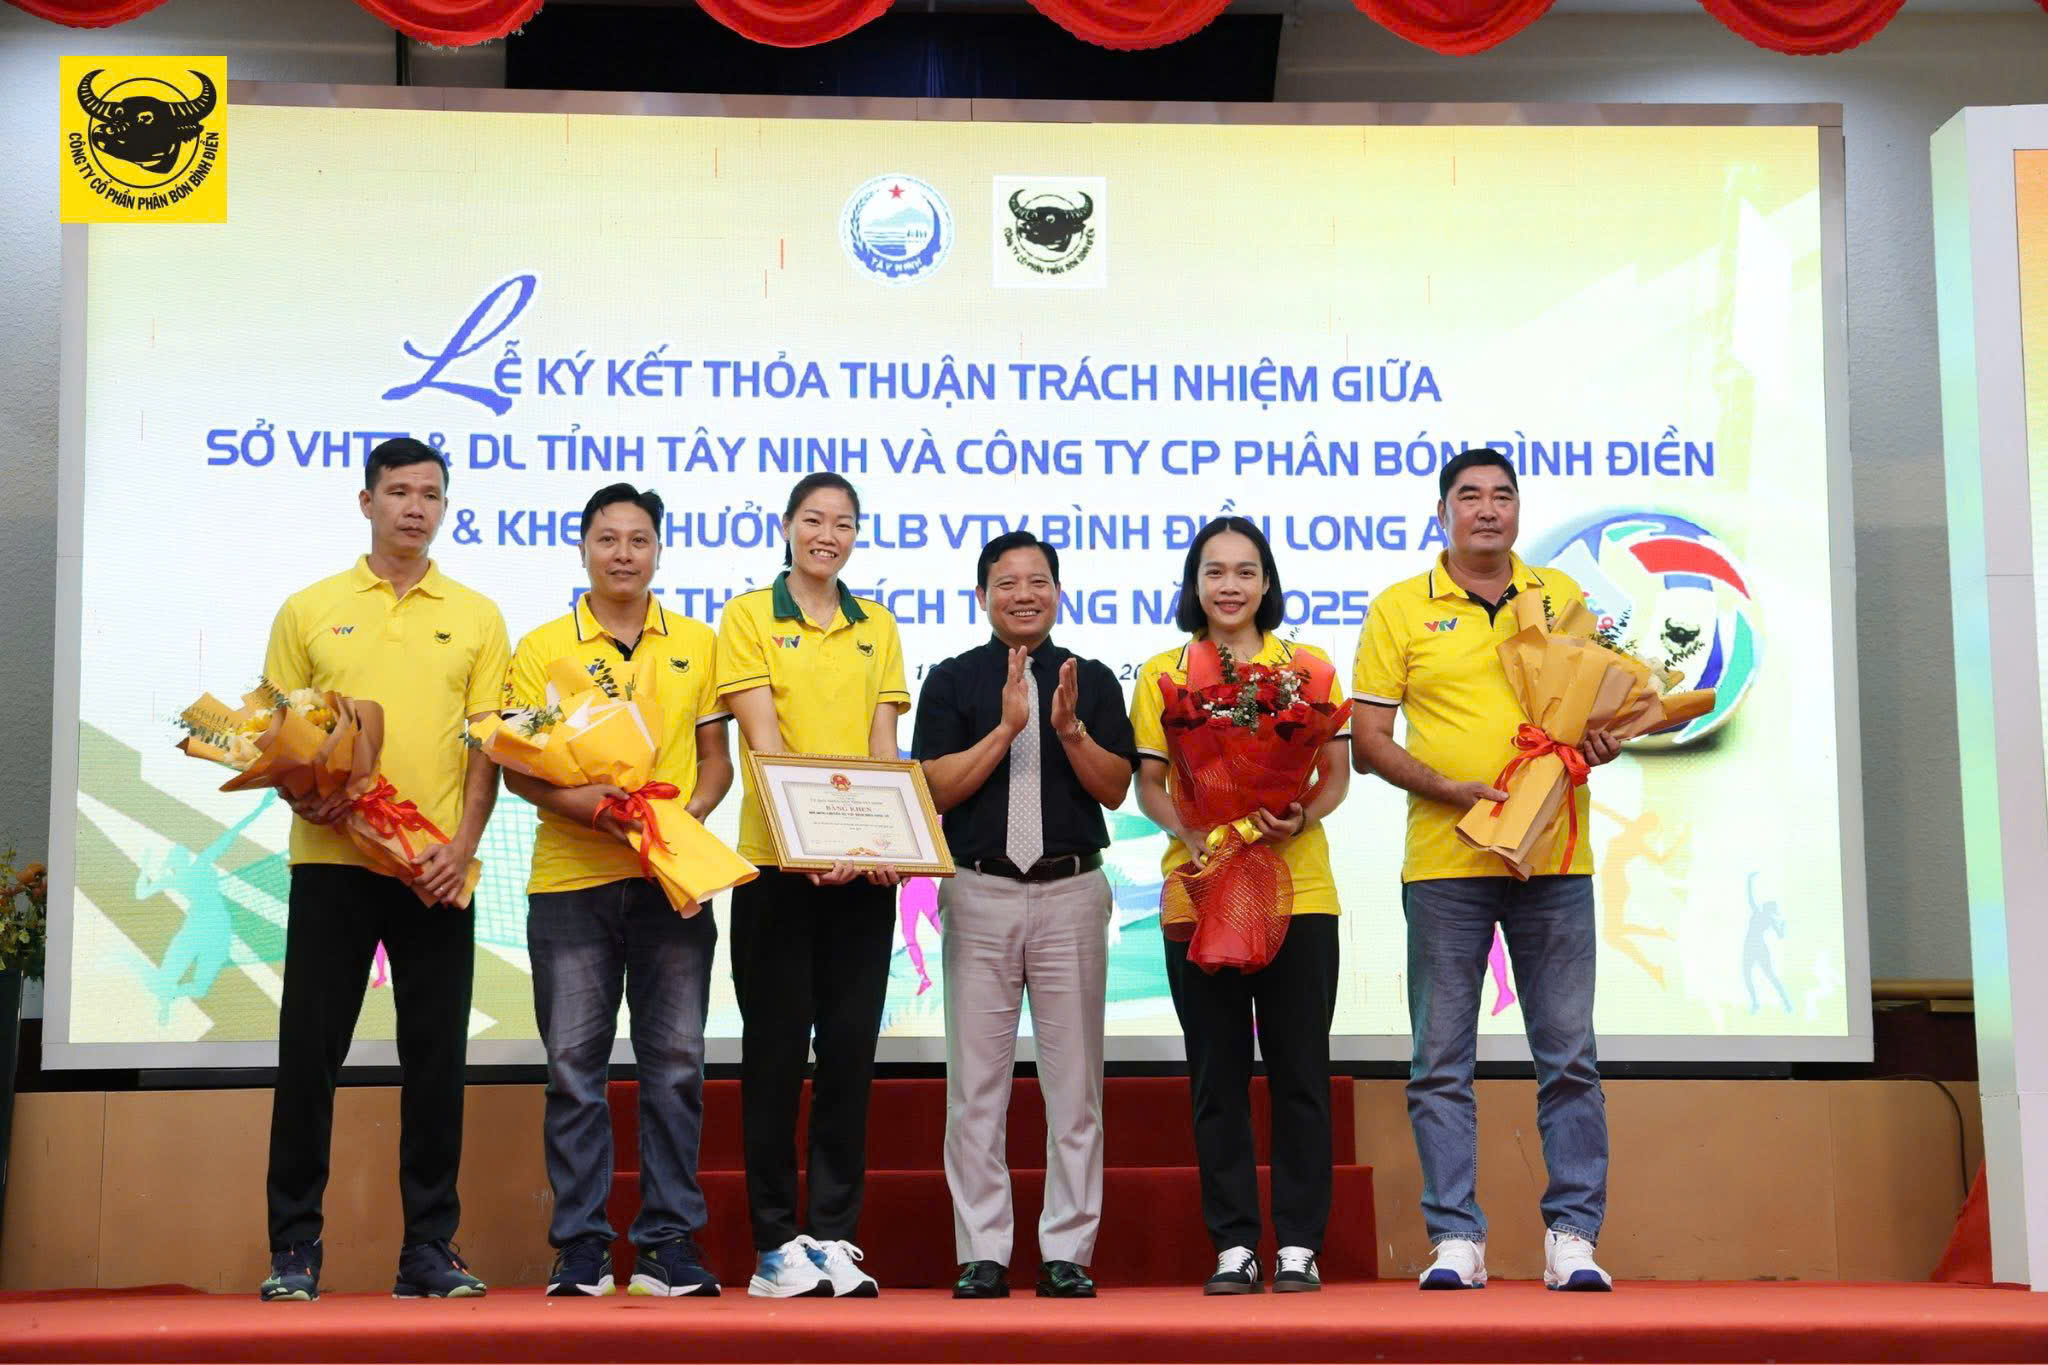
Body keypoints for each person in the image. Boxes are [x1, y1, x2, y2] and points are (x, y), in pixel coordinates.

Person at [1350, 447, 1622, 1293]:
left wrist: (1605, 738)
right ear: (1442, 514)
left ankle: (1573, 1235)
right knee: (1441, 1060)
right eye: (1469, 496)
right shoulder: (1400, 607)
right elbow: (1367, 743)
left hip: (1555, 858)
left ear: (1518, 511)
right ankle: (1455, 1237)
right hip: (1446, 862)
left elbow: (1592, 712)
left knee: (1569, 1055)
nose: (1488, 509)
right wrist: (1448, 789)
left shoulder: (1560, 596)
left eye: (1503, 495)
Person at [258, 437, 508, 1302]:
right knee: (309, 1055)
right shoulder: (309, 609)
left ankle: (429, 1249)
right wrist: (306, 796)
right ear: (366, 502)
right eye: (399, 491)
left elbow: (486, 746)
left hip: (433, 869)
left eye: (430, 494)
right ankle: (294, 1248)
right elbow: (277, 734)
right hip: (331, 863)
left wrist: (462, 846)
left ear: (444, 508)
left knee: (436, 1061)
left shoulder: (477, 615)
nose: (415, 507)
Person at [503, 483, 733, 1298]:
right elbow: (520, 769)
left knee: (676, 1067)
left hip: (674, 883)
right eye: (608, 539)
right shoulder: (540, 648)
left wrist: (677, 825)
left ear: (659, 550)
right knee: (574, 1069)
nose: (624, 553)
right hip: (571, 882)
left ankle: (669, 1244)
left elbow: (717, 762)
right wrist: (598, 810)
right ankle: (582, 1249)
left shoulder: (700, 643)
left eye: (639, 539)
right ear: (583, 549)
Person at [913, 531, 1138, 1301]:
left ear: (1058, 593)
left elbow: (1116, 787)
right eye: (1006, 582)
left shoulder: (1091, 678)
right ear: (982, 596)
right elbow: (935, 789)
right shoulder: (952, 679)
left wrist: (1067, 729)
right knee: (976, 1087)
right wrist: (1008, 727)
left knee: (1074, 1088)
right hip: (980, 890)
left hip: (1070, 890)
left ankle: (1067, 1250)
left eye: (1038, 581)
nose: (1024, 594)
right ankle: (982, 1251)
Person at [1130, 517, 1352, 1295]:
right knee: (1216, 1075)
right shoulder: (1162, 671)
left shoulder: (1310, 669)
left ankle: (1298, 1244)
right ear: (1195, 584)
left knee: (1301, 1072)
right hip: (1200, 892)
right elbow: (1149, 784)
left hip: (1300, 894)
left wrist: (1300, 815)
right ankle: (1233, 1243)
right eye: (1215, 571)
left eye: (1245, 571)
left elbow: (1334, 775)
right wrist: (1190, 831)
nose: (1230, 585)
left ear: (1267, 582)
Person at [716, 472, 910, 1298]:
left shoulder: (878, 626)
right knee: (773, 1058)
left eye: (843, 523)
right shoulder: (747, 617)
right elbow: (763, 743)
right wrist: (808, 843)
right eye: (813, 519)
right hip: (776, 868)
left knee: (849, 1057)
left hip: (862, 873)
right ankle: (774, 1247)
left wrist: (882, 841)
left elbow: (883, 749)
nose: (827, 534)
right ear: (788, 526)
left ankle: (831, 1234)